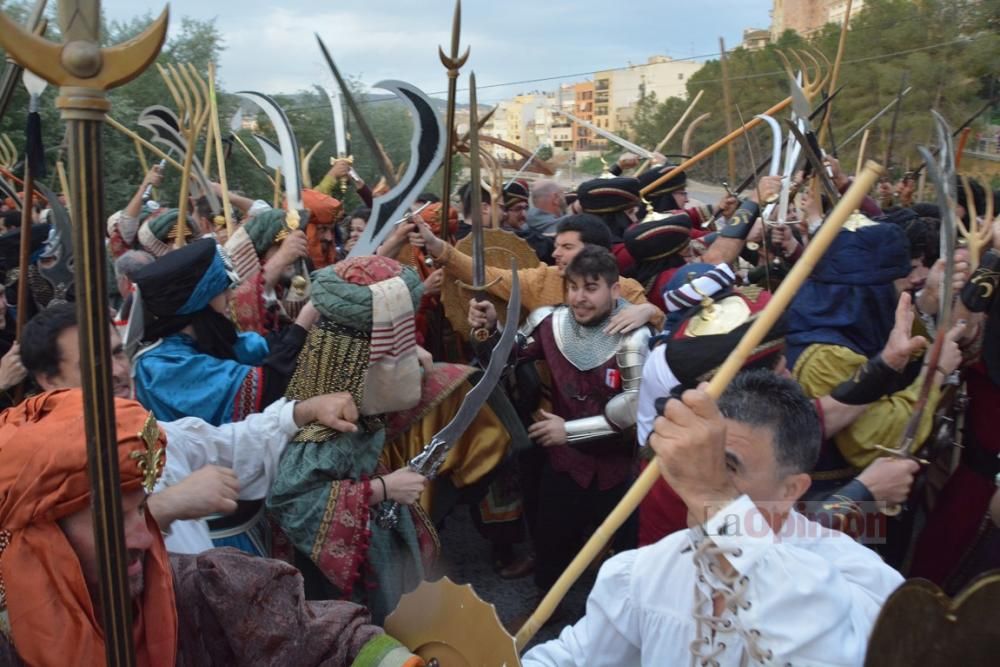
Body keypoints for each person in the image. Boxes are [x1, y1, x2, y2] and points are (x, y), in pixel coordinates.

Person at [0, 388, 427, 667]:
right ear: (43, 536)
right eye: (112, 520)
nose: (142, 536)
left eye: (143, 508)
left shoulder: (206, 587)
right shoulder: (10, 643)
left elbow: (326, 642)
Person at [521, 371, 904, 666]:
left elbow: (827, 644)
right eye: (701, 461)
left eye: (727, 467)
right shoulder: (648, 570)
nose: (698, 478)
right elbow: (577, 657)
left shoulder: (858, 578)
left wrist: (713, 498)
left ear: (791, 490)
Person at [18, 301, 359, 555]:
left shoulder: (150, 429)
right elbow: (64, 559)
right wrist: (167, 506)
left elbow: (231, 444)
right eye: (95, 363)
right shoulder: (35, 466)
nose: (118, 371)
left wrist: (303, 411)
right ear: (49, 380)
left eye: (118, 353)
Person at [469, 246, 650, 596]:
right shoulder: (550, 320)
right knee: (550, 544)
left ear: (614, 290)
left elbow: (632, 410)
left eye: (591, 288)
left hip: (617, 469)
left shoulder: (633, 336)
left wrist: (566, 431)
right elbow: (507, 358)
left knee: (629, 561)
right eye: (573, 287)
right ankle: (545, 611)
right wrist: (491, 329)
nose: (579, 297)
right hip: (565, 466)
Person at [267, 255, 438, 623]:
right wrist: (382, 489)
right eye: (398, 346)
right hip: (348, 571)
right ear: (363, 358)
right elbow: (289, 502)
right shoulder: (327, 431)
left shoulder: (348, 384)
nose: (404, 355)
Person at [130, 238, 315, 426]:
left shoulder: (199, 339)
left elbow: (257, 346)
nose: (231, 295)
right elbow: (266, 390)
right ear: (200, 298)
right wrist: (304, 321)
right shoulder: (162, 366)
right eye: (223, 288)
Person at [416, 213, 665, 331]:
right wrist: (436, 246)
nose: (556, 254)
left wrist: (648, 311)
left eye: (567, 247)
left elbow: (659, 326)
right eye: (556, 246)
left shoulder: (626, 289)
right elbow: (483, 273)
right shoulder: (541, 279)